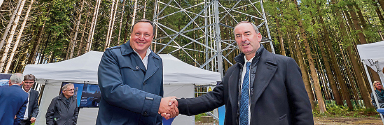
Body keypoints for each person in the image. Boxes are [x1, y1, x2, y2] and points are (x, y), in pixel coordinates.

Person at [174, 21, 314, 125]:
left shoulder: (284, 64)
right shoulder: (232, 72)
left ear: (258, 36)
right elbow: (211, 99)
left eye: (247, 34)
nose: (243, 39)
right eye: (238, 36)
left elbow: (302, 109)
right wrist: (176, 104)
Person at [96, 19, 177, 125]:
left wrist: (161, 113)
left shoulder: (157, 61)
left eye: (146, 34)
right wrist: (157, 103)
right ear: (131, 35)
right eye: (137, 33)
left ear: (152, 38)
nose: (141, 38)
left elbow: (158, 93)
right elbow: (112, 91)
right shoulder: (112, 55)